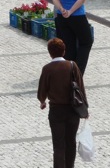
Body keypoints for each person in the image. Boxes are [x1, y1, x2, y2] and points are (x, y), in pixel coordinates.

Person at [37, 37, 88, 168]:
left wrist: (42, 101)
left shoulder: (47, 69)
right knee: (71, 142)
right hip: (73, 110)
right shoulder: (72, 65)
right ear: (64, 51)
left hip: (56, 111)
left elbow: (42, 91)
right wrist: (85, 108)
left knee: (58, 144)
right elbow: (81, 88)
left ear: (50, 53)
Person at [53, 0, 93, 75]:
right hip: (77, 16)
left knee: (68, 44)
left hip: (61, 16)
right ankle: (78, 72)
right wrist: (70, 11)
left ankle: (68, 71)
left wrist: (62, 9)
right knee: (86, 42)